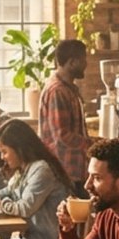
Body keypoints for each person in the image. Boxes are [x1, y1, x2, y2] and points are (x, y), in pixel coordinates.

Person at [38, 38, 91, 186]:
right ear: (72, 62)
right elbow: (63, 136)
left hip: (71, 170)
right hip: (65, 170)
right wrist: (92, 144)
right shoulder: (58, 91)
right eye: (83, 60)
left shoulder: (67, 88)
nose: (86, 64)